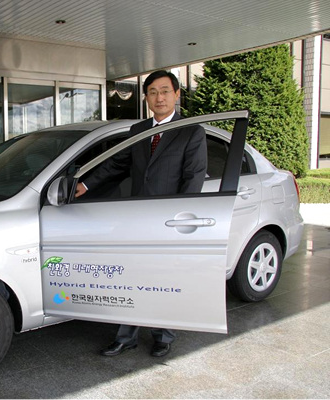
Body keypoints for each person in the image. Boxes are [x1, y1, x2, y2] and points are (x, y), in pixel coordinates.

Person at [75, 70, 207, 358]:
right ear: (146, 97)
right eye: (153, 92)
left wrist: (180, 222)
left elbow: (193, 179)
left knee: (163, 279)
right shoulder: (139, 131)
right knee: (132, 276)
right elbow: (117, 164)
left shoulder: (191, 131)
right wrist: (86, 184)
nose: (159, 97)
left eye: (165, 91)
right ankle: (127, 337)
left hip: (167, 222)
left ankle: (163, 336)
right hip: (136, 220)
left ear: (176, 94)